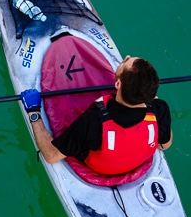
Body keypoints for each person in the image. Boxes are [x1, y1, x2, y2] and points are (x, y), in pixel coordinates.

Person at [21, 55, 173, 175]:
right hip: (135, 164)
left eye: (125, 62)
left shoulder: (95, 120)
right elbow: (164, 145)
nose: (126, 56)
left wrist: (34, 112)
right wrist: (149, 98)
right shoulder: (159, 109)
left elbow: (51, 156)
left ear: (118, 85)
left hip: (97, 168)